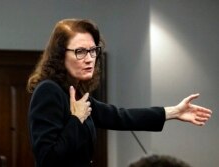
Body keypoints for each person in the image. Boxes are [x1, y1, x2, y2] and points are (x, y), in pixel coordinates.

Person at [27, 18, 212, 167]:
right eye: (80, 51)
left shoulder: (74, 93)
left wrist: (173, 112)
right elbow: (47, 159)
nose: (89, 59)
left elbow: (120, 116)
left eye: (93, 51)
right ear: (60, 56)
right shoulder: (49, 91)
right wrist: (76, 119)